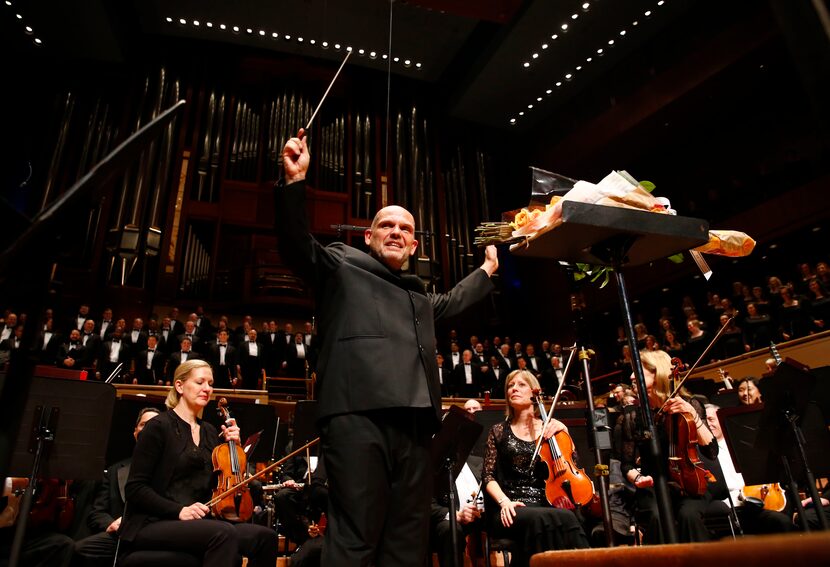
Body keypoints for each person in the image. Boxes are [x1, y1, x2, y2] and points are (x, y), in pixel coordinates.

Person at [277, 129, 499, 566]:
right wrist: (294, 184)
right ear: (368, 236)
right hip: (358, 417)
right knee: (356, 536)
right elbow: (296, 247)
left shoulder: (418, 296)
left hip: (416, 428)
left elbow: (453, 301)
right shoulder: (342, 264)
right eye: (386, 225)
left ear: (415, 245)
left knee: (406, 542)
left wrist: (488, 271)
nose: (396, 232)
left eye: (405, 229)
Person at [119, 360, 277, 566]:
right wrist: (179, 510)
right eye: (200, 382)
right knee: (223, 533)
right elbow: (135, 488)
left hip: (198, 522)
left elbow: (223, 483)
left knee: (266, 538)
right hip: (155, 521)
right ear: (179, 386)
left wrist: (235, 448)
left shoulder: (210, 432)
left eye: (210, 383)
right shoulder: (158, 427)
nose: (207, 389)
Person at [482, 370, 589, 566]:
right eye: (510, 386)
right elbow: (488, 476)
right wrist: (505, 502)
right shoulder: (498, 431)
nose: (513, 388)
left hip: (547, 501)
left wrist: (564, 433)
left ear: (534, 392)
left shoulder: (551, 429)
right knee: (550, 518)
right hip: (512, 506)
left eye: (521, 385)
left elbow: (574, 466)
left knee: (562, 515)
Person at [619, 350, 719, 543]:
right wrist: (638, 478)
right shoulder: (632, 416)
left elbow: (711, 451)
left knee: (688, 516)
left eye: (637, 370)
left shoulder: (689, 405)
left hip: (688, 484)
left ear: (658, 374)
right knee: (657, 517)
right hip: (653, 486)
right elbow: (626, 465)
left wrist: (693, 415)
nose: (631, 376)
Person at [74, 408, 161, 566]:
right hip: (120, 537)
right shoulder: (115, 470)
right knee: (79, 549)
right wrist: (112, 523)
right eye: (143, 425)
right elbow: (98, 512)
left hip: (153, 534)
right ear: (135, 432)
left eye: (153, 425)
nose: (148, 429)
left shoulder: (168, 469)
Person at [703, 404, 793, 534]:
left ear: (722, 421)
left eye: (711, 419)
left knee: (782, 521)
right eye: (704, 420)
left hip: (758, 501)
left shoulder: (740, 445)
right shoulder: (704, 453)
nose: (708, 424)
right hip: (733, 507)